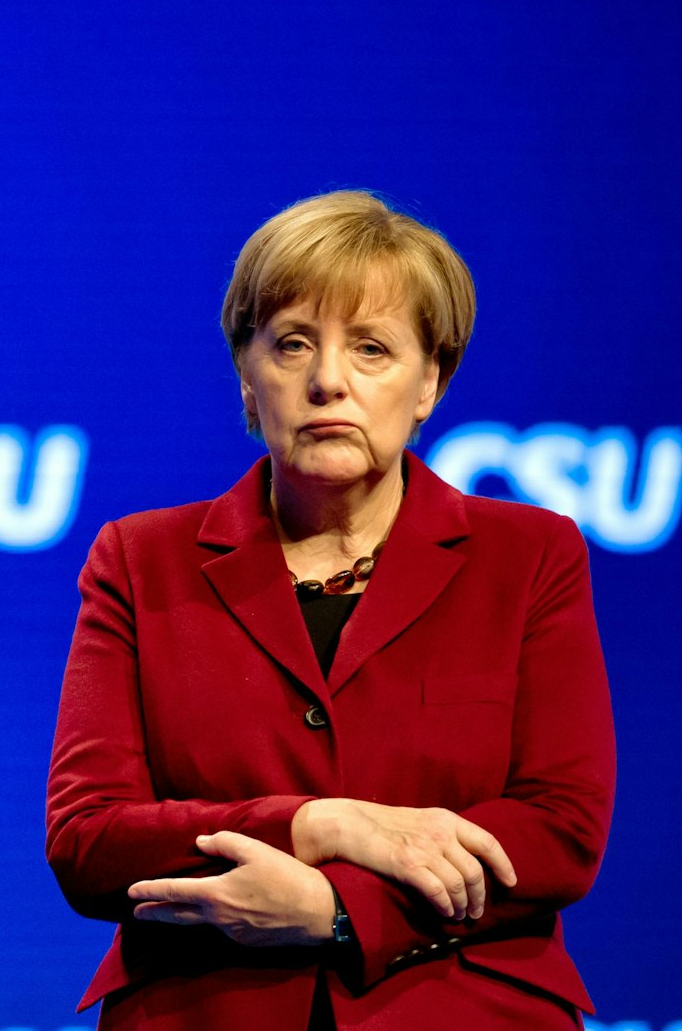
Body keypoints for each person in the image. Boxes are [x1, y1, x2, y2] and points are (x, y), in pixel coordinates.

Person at [45, 191, 614, 1029]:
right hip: (203, 1007)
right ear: (247, 374)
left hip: (464, 1007)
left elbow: (558, 828)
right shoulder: (140, 559)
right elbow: (90, 840)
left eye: (372, 349)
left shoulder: (529, 556)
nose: (328, 381)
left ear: (430, 382)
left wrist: (336, 911)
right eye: (293, 344)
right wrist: (318, 824)